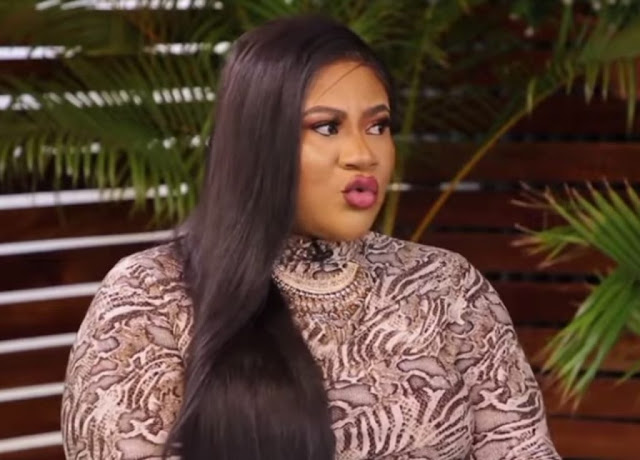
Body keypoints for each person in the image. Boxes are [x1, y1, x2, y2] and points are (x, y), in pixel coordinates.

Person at [61, 15, 560, 460]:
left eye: (378, 125)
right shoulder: (148, 298)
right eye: (327, 127)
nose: (363, 154)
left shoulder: (448, 286)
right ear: (259, 142)